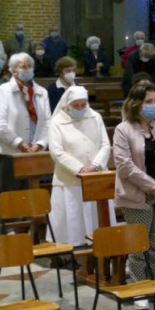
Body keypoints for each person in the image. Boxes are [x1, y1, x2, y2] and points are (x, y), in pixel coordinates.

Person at [113, 83, 155, 309]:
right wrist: (152, 186)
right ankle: (139, 288)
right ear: (136, 103)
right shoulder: (123, 129)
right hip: (137, 195)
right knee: (139, 246)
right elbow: (125, 166)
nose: (153, 106)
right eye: (148, 102)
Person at [48, 86, 113, 246]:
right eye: (76, 105)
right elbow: (56, 151)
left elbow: (105, 144)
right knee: (73, 217)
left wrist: (95, 165)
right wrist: (80, 169)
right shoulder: (57, 121)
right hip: (70, 178)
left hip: (96, 175)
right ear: (68, 104)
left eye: (83, 105)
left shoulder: (95, 117)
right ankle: (73, 247)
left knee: (97, 217)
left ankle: (101, 246)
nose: (80, 108)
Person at [0, 52, 52, 192]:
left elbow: (47, 122)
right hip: (9, 151)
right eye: (23, 67)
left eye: (30, 66)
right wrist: (19, 143)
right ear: (13, 70)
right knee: (12, 194)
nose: (27, 69)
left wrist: (41, 143)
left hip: (34, 151)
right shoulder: (4, 90)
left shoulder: (41, 91)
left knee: (31, 192)